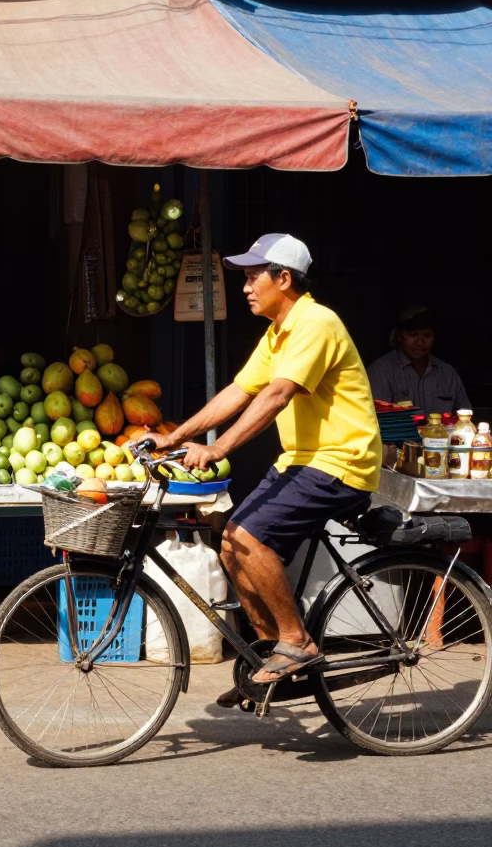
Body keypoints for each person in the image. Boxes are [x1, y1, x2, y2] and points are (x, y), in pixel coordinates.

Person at [135, 233, 381, 699]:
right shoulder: (279, 331)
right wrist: (175, 436)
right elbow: (240, 390)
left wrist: (219, 447)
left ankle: (297, 641)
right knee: (230, 541)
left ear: (283, 278)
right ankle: (272, 654)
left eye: (252, 276)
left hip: (341, 462)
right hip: (301, 462)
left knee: (250, 538)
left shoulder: (315, 323)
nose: (245, 287)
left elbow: (277, 394)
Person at [367, 306, 470, 418]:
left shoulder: (448, 374)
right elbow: (373, 419)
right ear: (400, 336)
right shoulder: (380, 372)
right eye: (413, 335)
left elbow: (464, 417)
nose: (420, 342)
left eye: (427, 335)